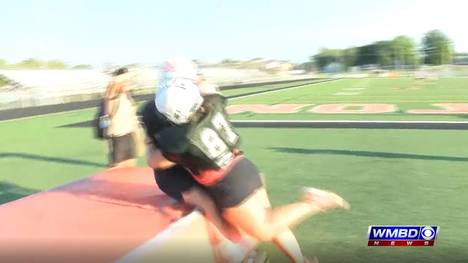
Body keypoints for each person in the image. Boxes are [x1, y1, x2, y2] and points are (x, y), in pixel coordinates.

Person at [141, 59, 350, 263]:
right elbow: (208, 91)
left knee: (265, 229)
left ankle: (313, 203)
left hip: (228, 184)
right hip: (243, 166)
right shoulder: (213, 102)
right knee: (271, 218)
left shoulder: (181, 138)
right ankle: (299, 259)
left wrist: (152, 141)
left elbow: (155, 161)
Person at [103, 67, 139, 168]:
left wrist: (136, 135)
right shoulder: (112, 93)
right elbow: (107, 114)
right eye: (126, 81)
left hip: (129, 134)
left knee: (131, 169)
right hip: (118, 136)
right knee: (117, 170)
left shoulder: (127, 95)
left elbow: (132, 116)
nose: (128, 83)